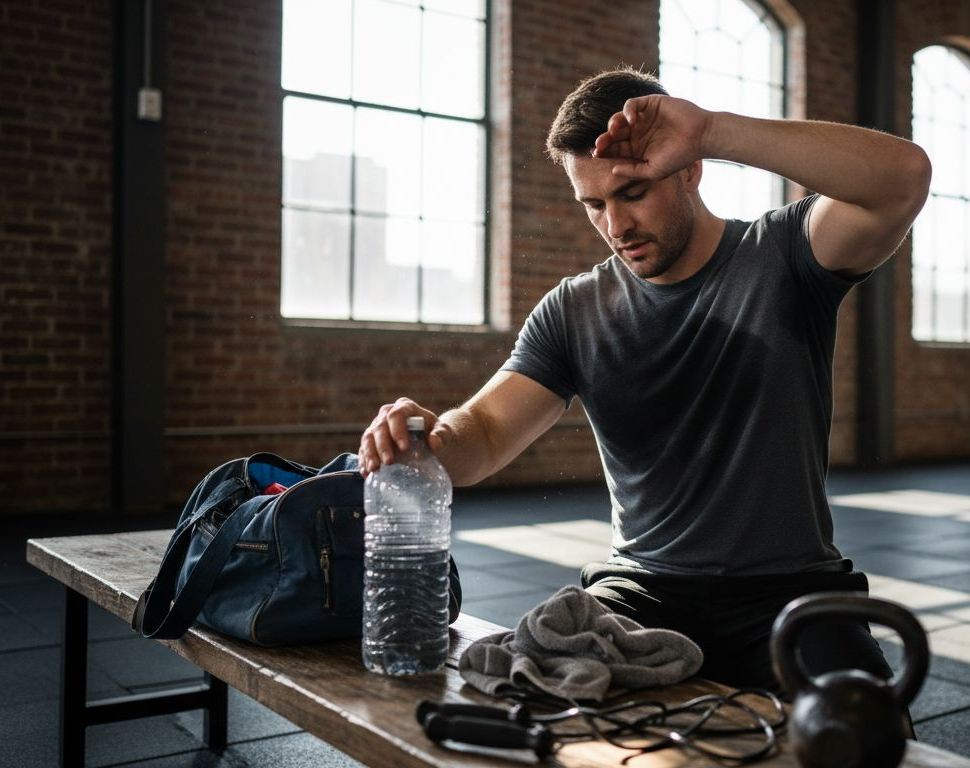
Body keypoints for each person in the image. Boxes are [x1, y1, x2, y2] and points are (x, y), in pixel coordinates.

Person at [359, 67, 931, 703]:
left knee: (867, 730)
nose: (615, 224)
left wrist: (711, 130)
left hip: (788, 589)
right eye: (594, 205)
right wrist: (429, 438)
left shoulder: (786, 256)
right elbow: (486, 433)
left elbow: (902, 179)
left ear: (688, 169)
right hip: (642, 589)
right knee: (547, 712)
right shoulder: (574, 310)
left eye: (631, 192)